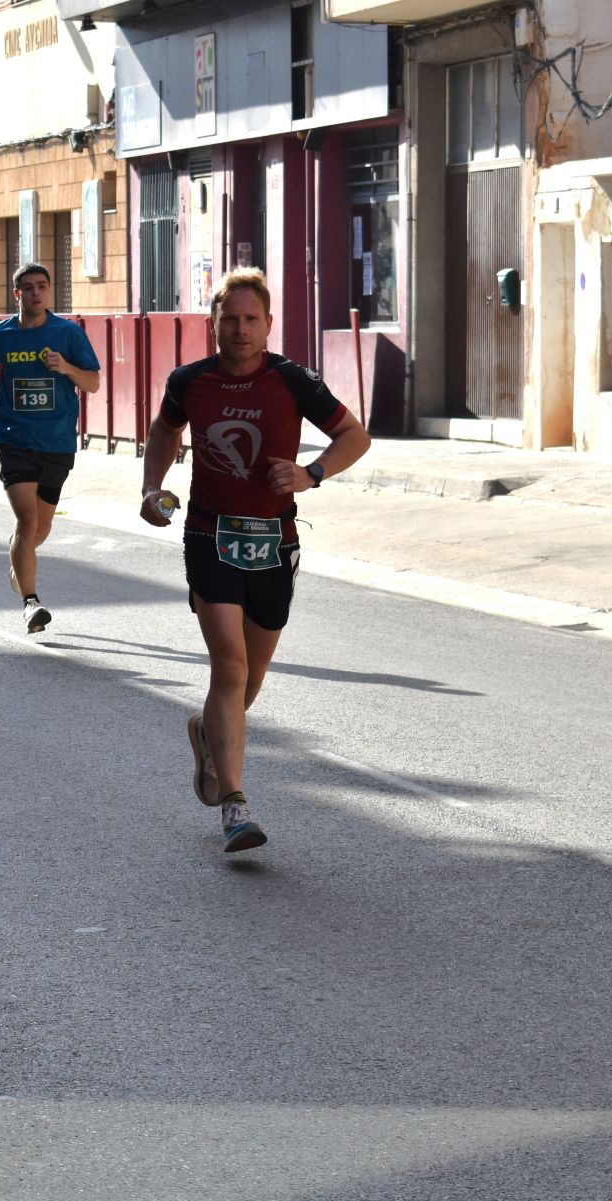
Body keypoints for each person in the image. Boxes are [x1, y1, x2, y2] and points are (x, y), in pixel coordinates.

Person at [139, 268, 370, 854]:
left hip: (275, 540)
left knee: (254, 674)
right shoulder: (189, 381)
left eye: (250, 319)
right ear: (213, 323)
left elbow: (354, 435)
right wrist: (151, 487)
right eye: (229, 319)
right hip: (209, 536)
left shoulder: (294, 380)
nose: (239, 329)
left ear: (268, 324)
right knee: (232, 667)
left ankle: (204, 729)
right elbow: (164, 430)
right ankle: (236, 806)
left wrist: (311, 473)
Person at [0, 262, 101, 633]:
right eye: (27, 288)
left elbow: (92, 382)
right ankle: (31, 603)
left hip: (57, 439)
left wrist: (66, 368)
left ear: (49, 291)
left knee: (40, 527)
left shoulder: (67, 334)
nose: (35, 293)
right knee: (27, 519)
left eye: (41, 286)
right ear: (17, 294)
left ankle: (19, 565)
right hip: (12, 436)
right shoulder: (2, 335)